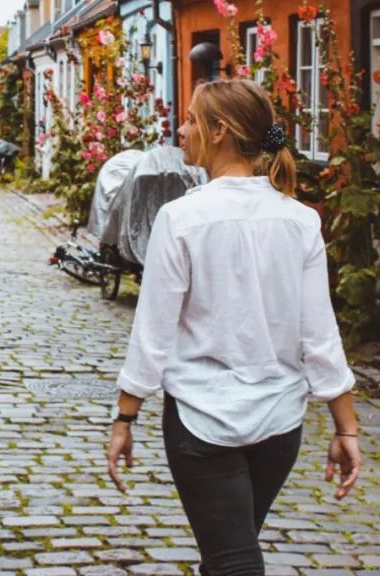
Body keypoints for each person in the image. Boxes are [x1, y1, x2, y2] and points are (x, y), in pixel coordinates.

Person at [106, 79, 361, 576]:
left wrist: (125, 417)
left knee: (232, 560)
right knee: (227, 553)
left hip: (203, 422)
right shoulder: (300, 220)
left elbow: (153, 332)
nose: (179, 130)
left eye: (189, 119)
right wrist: (345, 425)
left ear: (218, 130)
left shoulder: (180, 218)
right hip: (279, 427)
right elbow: (320, 336)